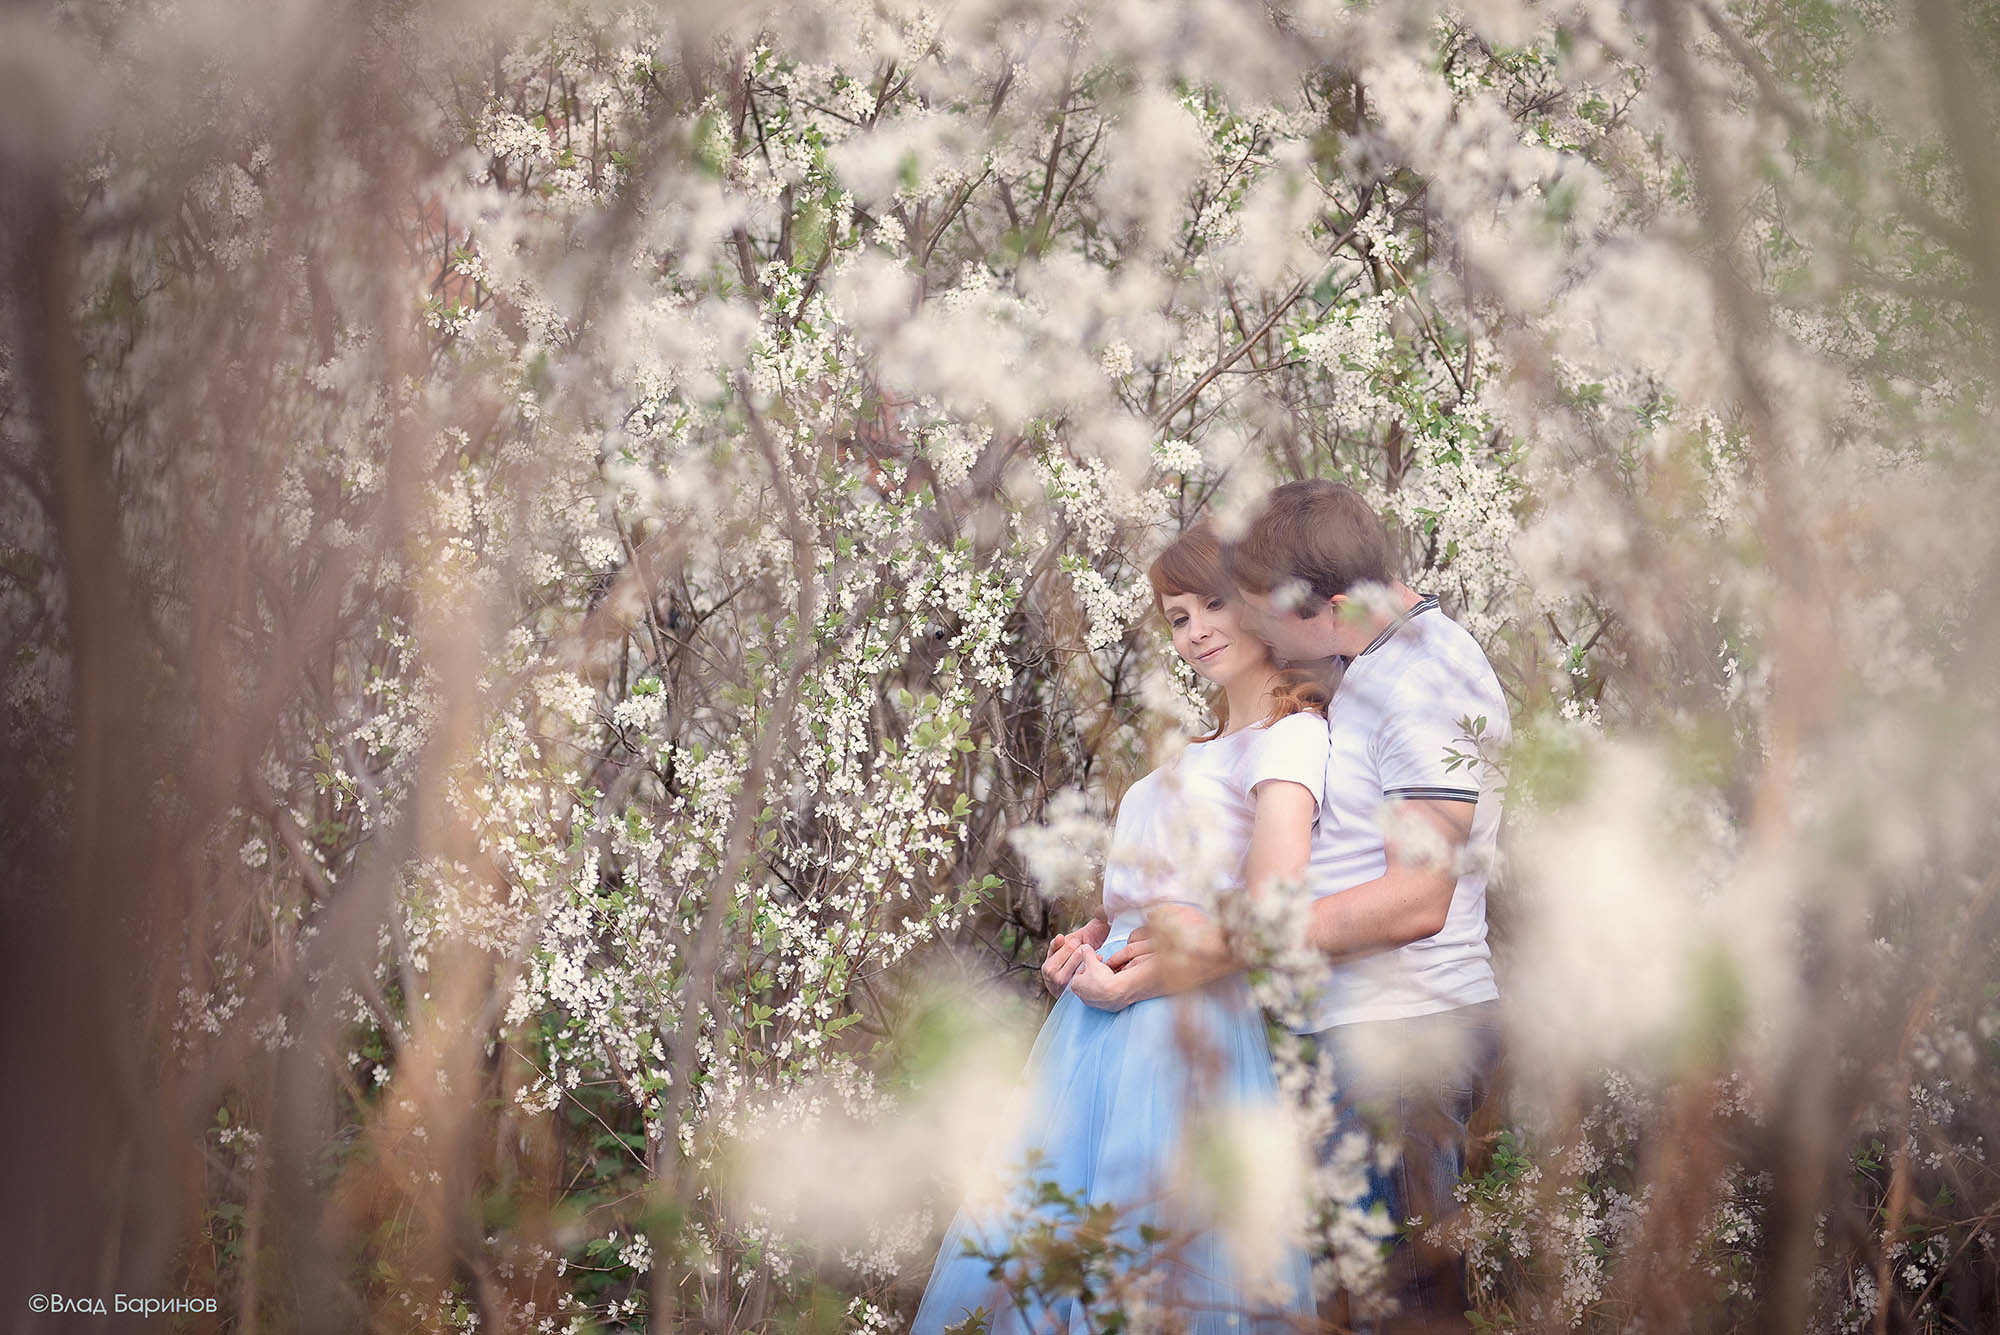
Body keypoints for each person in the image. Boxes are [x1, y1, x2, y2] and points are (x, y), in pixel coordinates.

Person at [1109, 480, 1510, 1332]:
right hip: (1349, 1031)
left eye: (1261, 611)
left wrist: (1236, 936)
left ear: (1325, 606)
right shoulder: (1371, 665)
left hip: (1406, 1034)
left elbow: (1418, 899)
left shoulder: (1429, 683)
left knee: (1401, 1307)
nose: (1251, 630)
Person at [912, 520, 1328, 1334]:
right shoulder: (1195, 751)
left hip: (1184, 1021)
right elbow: (1142, 888)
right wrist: (1090, 932)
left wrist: (1164, 946)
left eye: (1215, 603)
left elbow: (1274, 899)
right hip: (1090, 1029)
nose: (1198, 629)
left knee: (1150, 1255)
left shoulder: (1292, 736)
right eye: (1178, 616)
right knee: (1044, 1241)